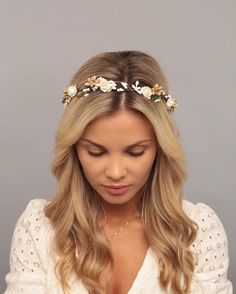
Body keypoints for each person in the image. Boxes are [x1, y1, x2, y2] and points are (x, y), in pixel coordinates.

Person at [4, 50, 232, 294]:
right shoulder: (39, 227)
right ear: (73, 149)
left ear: (160, 149)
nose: (115, 172)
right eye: (95, 152)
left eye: (135, 152)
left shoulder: (196, 230)